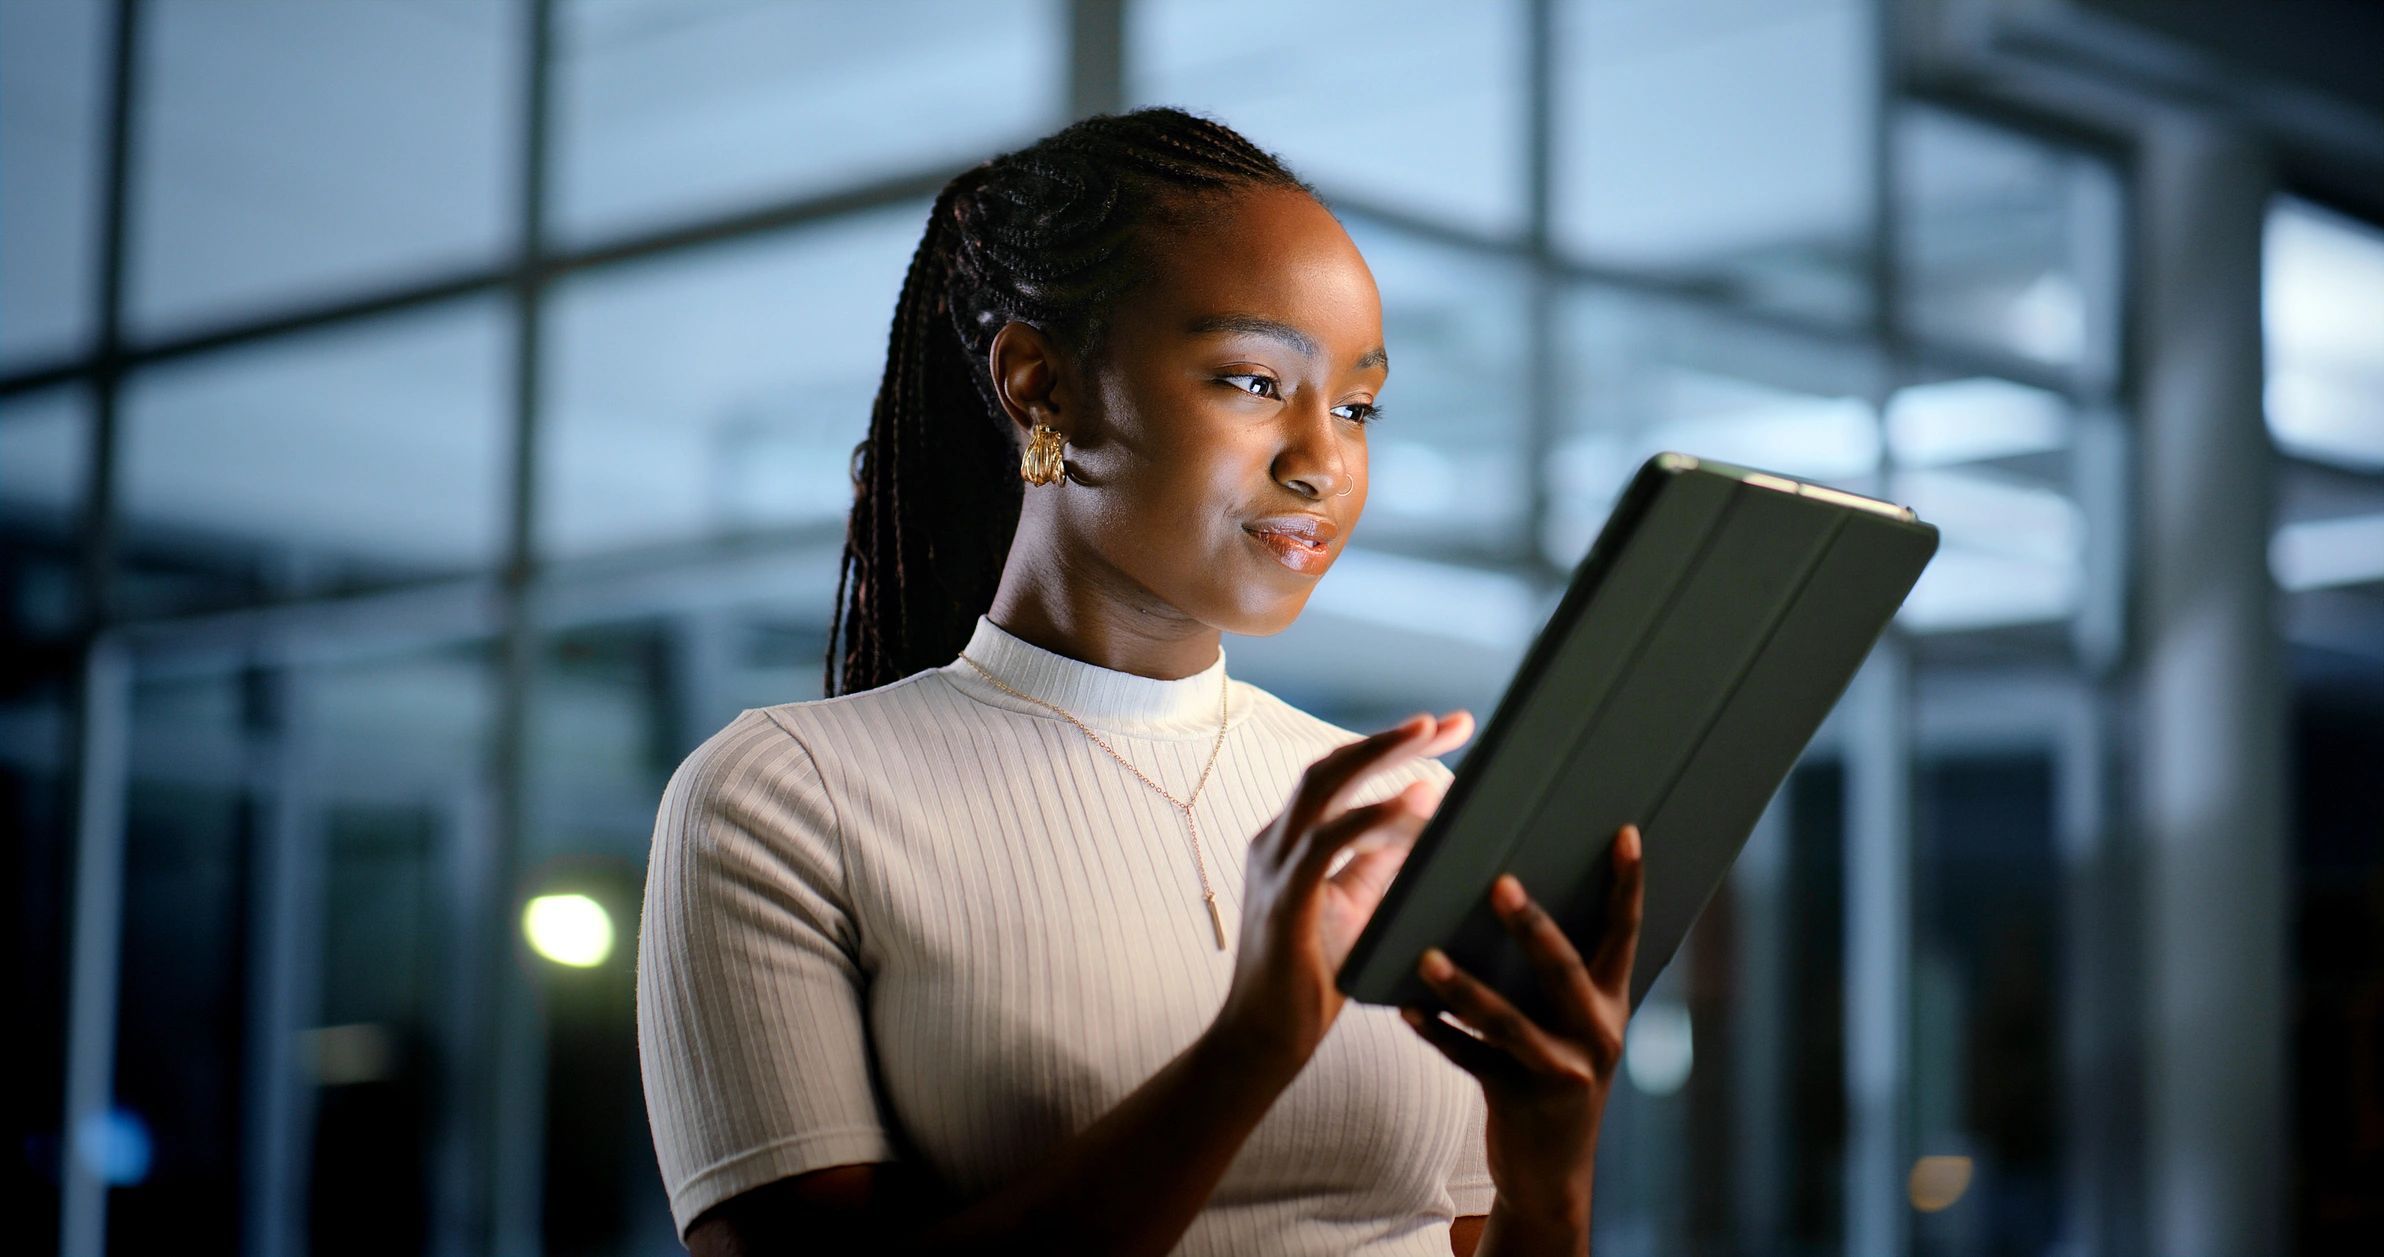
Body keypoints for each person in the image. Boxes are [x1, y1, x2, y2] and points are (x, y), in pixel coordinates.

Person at [635, 106, 1645, 1257]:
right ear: (1041, 387)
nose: (1321, 462)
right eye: (1253, 382)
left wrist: (1550, 1180)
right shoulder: (783, 799)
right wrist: (1253, 1046)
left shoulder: (1379, 809)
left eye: (1356, 406)